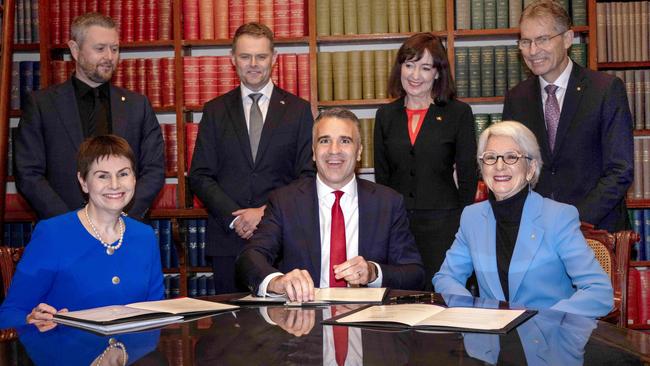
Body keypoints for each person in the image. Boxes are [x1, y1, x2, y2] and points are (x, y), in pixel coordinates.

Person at [236, 108, 425, 302]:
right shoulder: (285, 201)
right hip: (304, 324)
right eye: (324, 141)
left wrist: (373, 272)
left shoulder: (388, 202)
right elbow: (250, 257)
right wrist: (277, 282)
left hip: (367, 320)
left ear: (359, 151)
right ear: (314, 152)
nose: (334, 150)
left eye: (345, 141)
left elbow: (414, 274)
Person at [432, 121, 613, 318]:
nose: (500, 166)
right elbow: (446, 277)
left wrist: (545, 320)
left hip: (549, 341)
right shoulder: (472, 217)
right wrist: (473, 313)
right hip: (492, 342)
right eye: (491, 158)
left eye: (511, 157)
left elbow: (599, 293)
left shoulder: (558, 217)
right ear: (482, 169)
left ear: (530, 168)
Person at [189, 22, 314, 294]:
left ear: (274, 58)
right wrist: (236, 218)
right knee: (230, 330)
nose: (253, 64)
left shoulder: (298, 111)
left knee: (283, 330)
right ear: (233, 59)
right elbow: (200, 175)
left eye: (261, 56)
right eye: (245, 56)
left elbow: (306, 176)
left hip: (281, 240)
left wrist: (264, 213)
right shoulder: (214, 111)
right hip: (227, 239)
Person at [0, 135, 164, 328]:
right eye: (102, 176)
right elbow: (10, 314)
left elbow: (157, 313)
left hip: (134, 354)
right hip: (67, 353)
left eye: (123, 174)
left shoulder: (145, 236)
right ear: (83, 181)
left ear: (134, 179)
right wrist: (31, 320)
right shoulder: (52, 234)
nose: (115, 184)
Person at [15, 12, 164, 221]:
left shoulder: (138, 105)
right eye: (100, 48)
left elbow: (154, 170)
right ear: (75, 50)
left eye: (115, 49)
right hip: (64, 231)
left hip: (125, 228)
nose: (109, 57)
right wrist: (73, 223)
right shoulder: (42, 105)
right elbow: (28, 174)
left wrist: (122, 217)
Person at [502, 0, 633, 232]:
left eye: (542, 39)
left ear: (567, 38)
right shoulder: (517, 98)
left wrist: (573, 220)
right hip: (537, 233)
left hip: (595, 231)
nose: (533, 51)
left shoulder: (605, 89)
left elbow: (620, 170)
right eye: (525, 41)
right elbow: (513, 167)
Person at [374, 33, 477, 288]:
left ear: (438, 73)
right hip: (398, 227)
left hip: (444, 226)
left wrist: (462, 225)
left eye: (425, 67)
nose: (415, 75)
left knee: (441, 298)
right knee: (400, 298)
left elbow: (468, 175)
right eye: (409, 65)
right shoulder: (385, 115)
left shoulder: (458, 113)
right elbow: (382, 176)